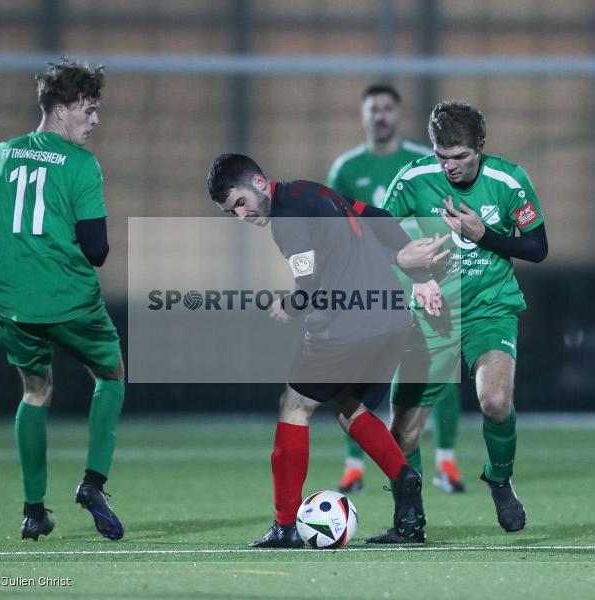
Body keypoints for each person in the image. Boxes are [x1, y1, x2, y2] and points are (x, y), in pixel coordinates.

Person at [207, 153, 449, 547]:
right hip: (392, 320)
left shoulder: (286, 220)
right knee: (349, 406)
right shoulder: (312, 190)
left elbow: (308, 285)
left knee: (295, 405)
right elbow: (377, 216)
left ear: (257, 181)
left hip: (345, 326)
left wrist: (287, 306)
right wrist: (417, 274)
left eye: (239, 202)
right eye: (230, 212)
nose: (240, 215)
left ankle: (285, 525)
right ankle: (406, 486)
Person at [0, 58, 125, 542]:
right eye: (88, 110)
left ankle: (33, 511)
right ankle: (93, 484)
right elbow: (97, 251)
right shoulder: (81, 165)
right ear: (62, 108)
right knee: (110, 374)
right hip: (72, 303)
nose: (95, 121)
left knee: (35, 392)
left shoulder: (1, 155)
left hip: (12, 307)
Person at [369, 100, 548, 542]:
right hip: (430, 317)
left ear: (480, 148)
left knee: (495, 401)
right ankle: (409, 524)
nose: (449, 166)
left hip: (491, 308)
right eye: (441, 156)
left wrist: (484, 235)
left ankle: (499, 479)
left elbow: (538, 247)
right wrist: (413, 273)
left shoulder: (509, 180)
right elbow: (375, 234)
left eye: (460, 157)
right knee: (402, 432)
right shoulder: (413, 179)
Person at [327, 83, 466, 496]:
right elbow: (338, 227)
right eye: (373, 109)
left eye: (387, 108)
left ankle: (447, 461)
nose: (380, 116)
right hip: (372, 284)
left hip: (423, 281)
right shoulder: (346, 168)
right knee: (360, 374)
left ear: (398, 114)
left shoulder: (421, 163)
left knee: (442, 368)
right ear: (364, 115)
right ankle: (355, 464)